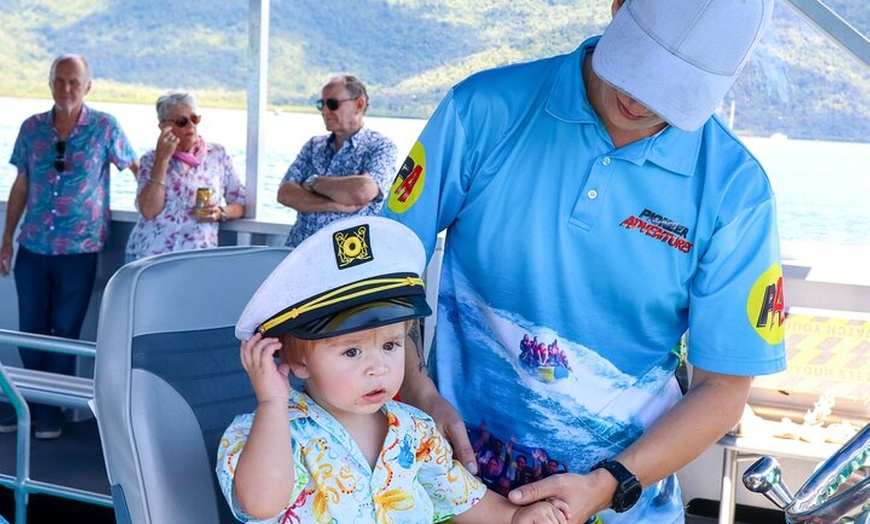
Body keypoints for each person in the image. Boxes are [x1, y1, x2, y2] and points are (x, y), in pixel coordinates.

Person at [380, 0, 787, 522]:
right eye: (638, 66)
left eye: (673, 91)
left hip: (624, 505)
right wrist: (418, 390)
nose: (639, 101)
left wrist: (609, 482)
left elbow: (723, 388)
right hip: (453, 489)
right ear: (617, 7)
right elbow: (384, 267)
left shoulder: (737, 191)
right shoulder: (481, 109)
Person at [216, 216, 568, 523]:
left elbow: (464, 500)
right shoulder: (273, 432)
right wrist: (272, 404)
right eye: (351, 351)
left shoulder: (416, 430)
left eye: (390, 345)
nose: (378, 367)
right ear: (296, 362)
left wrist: (516, 516)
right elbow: (261, 503)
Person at [0, 54, 139, 440]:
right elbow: (21, 185)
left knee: (64, 333)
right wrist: (6, 239)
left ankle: (51, 414)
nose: (66, 88)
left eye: (74, 82)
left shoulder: (104, 127)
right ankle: (26, 404)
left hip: (79, 249)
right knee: (29, 329)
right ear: (49, 83)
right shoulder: (31, 128)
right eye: (60, 80)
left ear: (87, 86)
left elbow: (137, 170)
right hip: (33, 245)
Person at [277, 74, 397, 248]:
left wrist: (312, 182)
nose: (325, 111)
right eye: (321, 105)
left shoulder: (381, 147)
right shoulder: (313, 146)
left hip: (347, 263)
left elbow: (364, 190)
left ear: (359, 104)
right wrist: (332, 204)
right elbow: (285, 193)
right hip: (299, 254)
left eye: (332, 104)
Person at [124, 91, 246, 262]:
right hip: (150, 255)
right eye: (182, 122)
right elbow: (149, 211)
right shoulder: (151, 159)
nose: (190, 126)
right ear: (163, 126)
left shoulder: (217, 155)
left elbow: (240, 202)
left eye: (194, 119)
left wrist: (220, 212)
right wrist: (162, 160)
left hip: (196, 257)